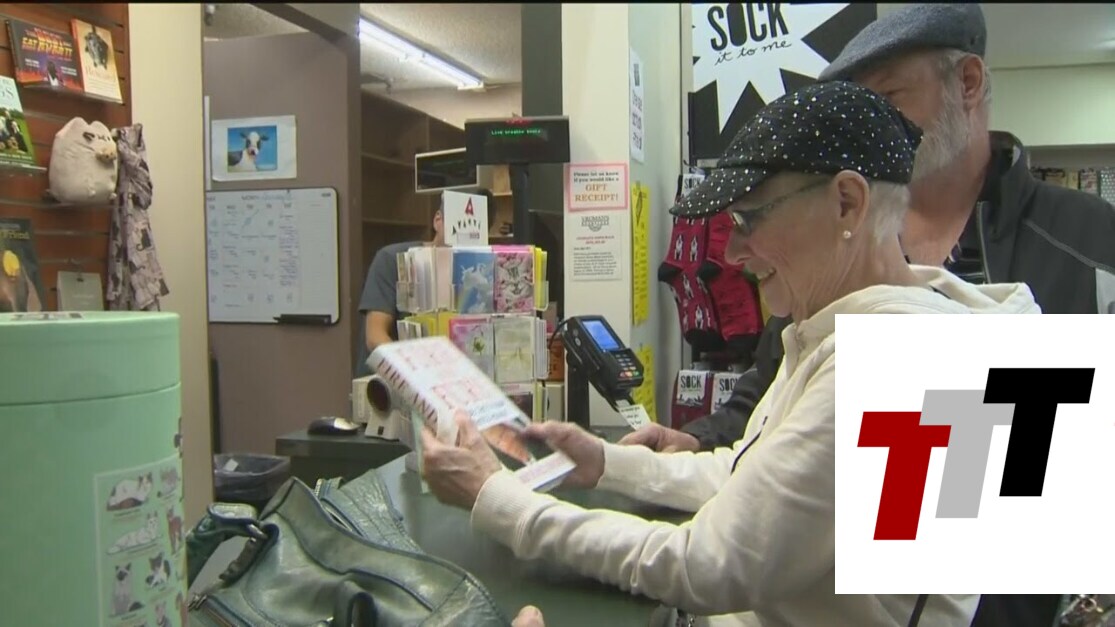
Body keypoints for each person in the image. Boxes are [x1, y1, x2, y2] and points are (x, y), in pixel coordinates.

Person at [418, 81, 1041, 626]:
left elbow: (705, 563)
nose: (733, 255)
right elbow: (758, 484)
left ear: (847, 203)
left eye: (749, 220)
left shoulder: (888, 365)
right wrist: (608, 464)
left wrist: (497, 500)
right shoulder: (869, 329)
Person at [622, 2, 1115, 455]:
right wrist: (698, 439)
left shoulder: (1087, 239)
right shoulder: (844, 236)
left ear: (967, 83)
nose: (870, 126)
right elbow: (779, 378)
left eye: (889, 97)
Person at [355, 188, 496, 376]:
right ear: (438, 220)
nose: (465, 234)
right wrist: (415, 373)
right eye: (460, 224)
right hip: (392, 381)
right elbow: (375, 336)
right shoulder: (392, 259)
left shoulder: (479, 274)